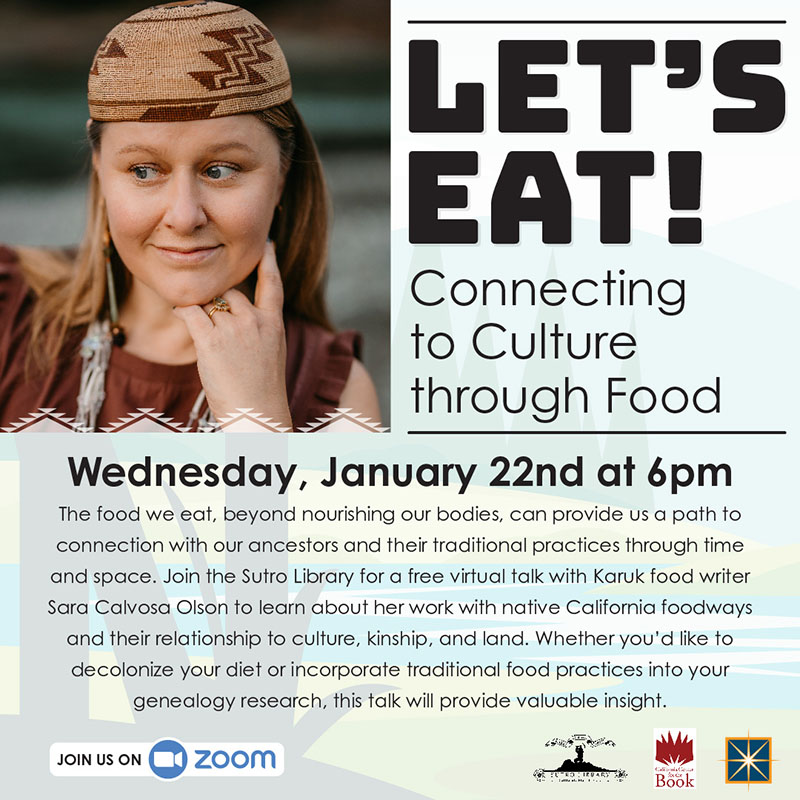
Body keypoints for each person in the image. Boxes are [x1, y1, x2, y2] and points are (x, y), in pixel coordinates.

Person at [0, 1, 380, 432]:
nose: (184, 217)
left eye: (220, 170)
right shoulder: (8, 312)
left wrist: (257, 422)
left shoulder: (335, 398)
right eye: (144, 171)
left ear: (281, 176)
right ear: (101, 170)